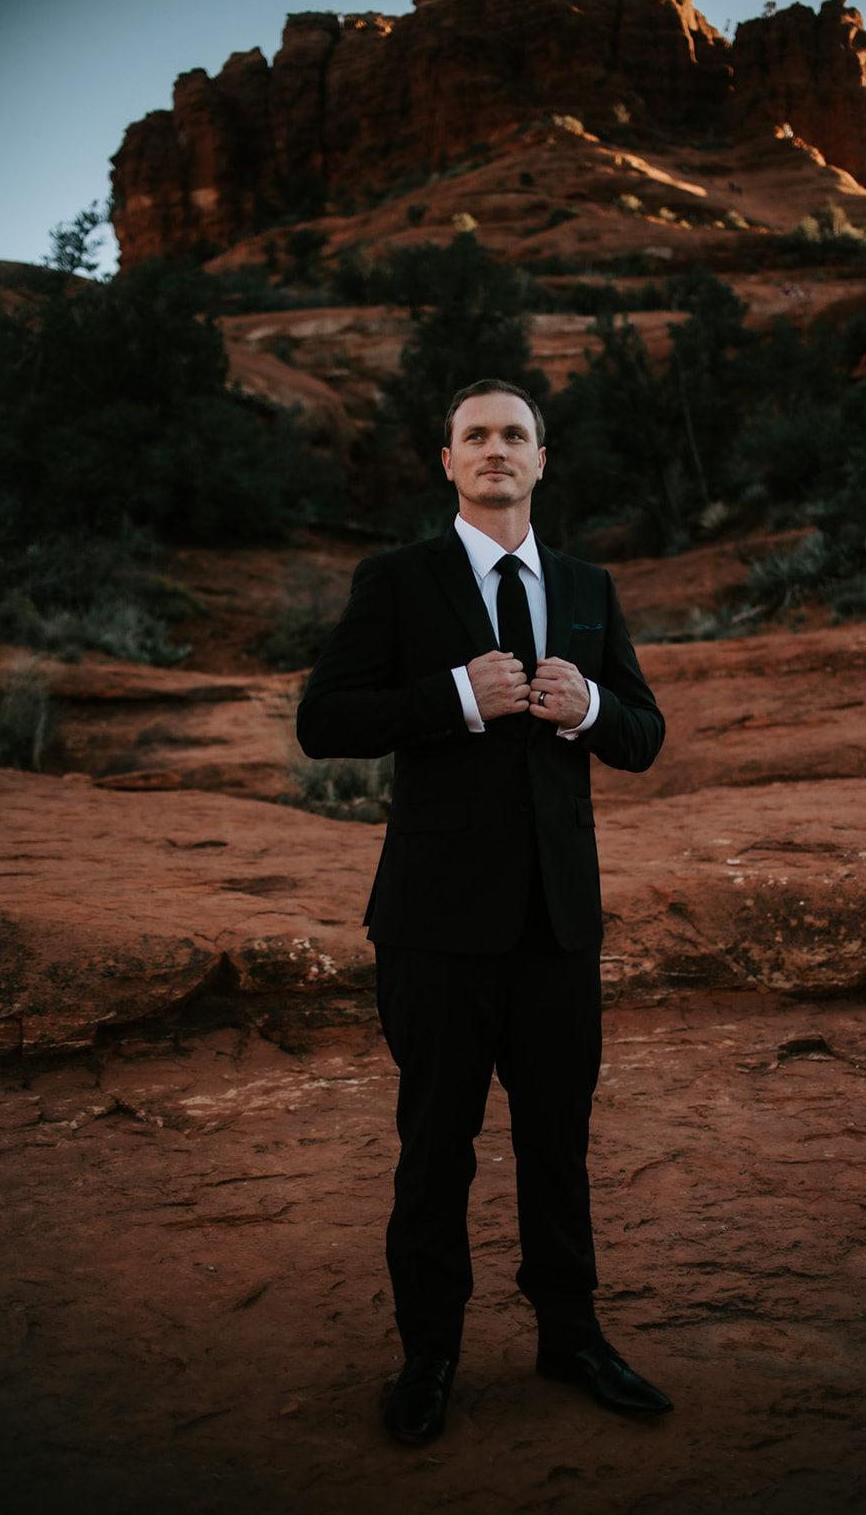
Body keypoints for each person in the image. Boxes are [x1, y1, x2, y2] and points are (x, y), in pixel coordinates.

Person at [296, 378, 670, 1444]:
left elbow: (643, 731)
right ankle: (429, 1353)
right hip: (433, 929)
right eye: (476, 436)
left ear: (542, 460)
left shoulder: (589, 586)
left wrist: (589, 706)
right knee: (435, 1146)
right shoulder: (398, 580)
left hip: (559, 927)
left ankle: (572, 1337)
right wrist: (456, 697)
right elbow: (323, 720)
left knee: (558, 1142)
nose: (496, 450)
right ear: (448, 462)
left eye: (515, 435)